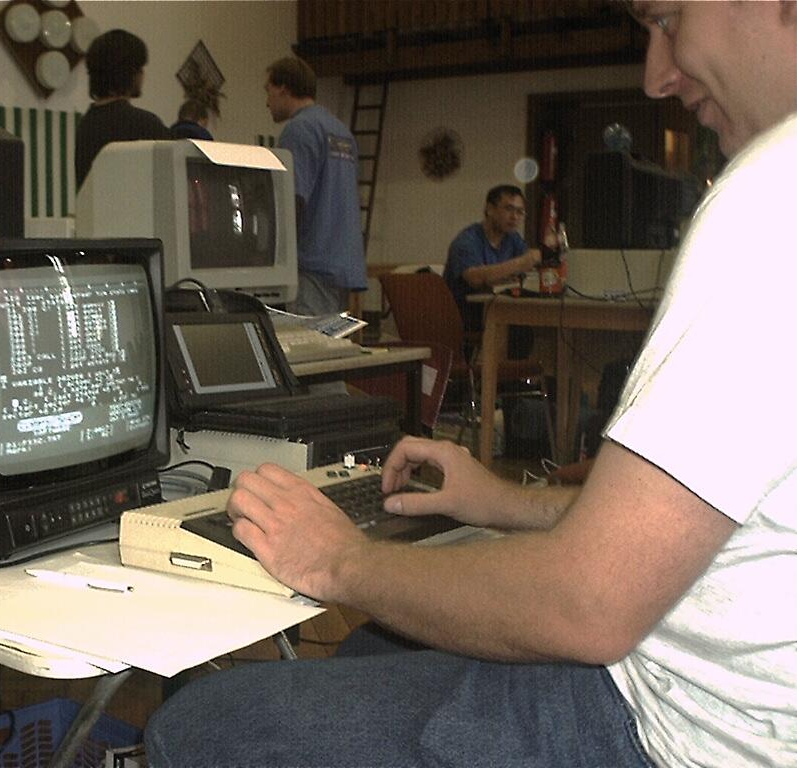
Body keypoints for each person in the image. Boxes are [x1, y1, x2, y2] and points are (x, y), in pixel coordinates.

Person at [144, 3, 797, 766]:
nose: (656, 75)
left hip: (660, 736)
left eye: (666, 18)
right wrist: (504, 503)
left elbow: (590, 603)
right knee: (371, 647)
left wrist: (339, 558)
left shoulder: (772, 197)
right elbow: (697, 529)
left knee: (194, 725)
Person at [265, 56, 366, 316]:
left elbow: (292, 199)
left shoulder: (299, 129)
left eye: (268, 90)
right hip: (343, 261)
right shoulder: (341, 132)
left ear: (283, 88)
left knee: (309, 339)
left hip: (312, 261)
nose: (267, 101)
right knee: (331, 338)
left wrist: (272, 258)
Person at [75, 28, 171, 189]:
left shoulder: (85, 125)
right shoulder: (145, 125)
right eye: (140, 68)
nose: (143, 75)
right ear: (129, 73)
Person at [443, 184, 541, 338]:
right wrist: (519, 264)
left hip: (498, 308)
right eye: (509, 209)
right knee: (519, 332)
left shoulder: (512, 238)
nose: (515, 217)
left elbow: (530, 263)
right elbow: (475, 278)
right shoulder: (467, 241)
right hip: (463, 315)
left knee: (529, 324)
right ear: (490, 209)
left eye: (520, 212)